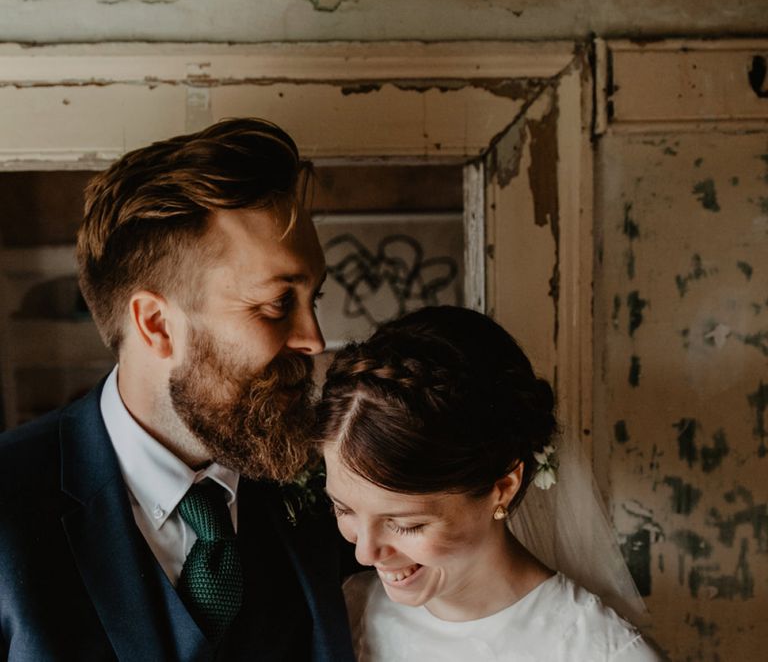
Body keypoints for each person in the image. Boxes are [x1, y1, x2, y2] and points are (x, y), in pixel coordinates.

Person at [0, 118, 356, 661]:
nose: (314, 340)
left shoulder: (339, 490)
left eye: (315, 301)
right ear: (157, 326)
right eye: (277, 304)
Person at [316, 306, 665, 661]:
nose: (365, 553)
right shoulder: (349, 610)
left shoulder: (603, 652)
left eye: (406, 525)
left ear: (503, 487)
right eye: (344, 509)